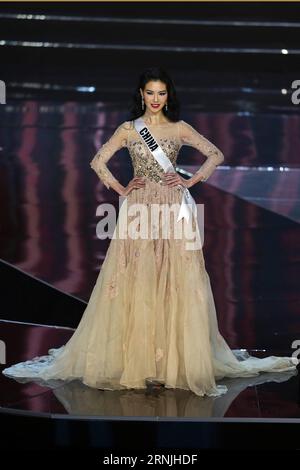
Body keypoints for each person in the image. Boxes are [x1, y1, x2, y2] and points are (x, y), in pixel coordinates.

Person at [2, 66, 298, 398]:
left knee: (174, 277)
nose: (155, 99)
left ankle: (171, 360)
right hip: (139, 208)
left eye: (161, 93)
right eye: (150, 93)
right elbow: (98, 160)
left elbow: (216, 154)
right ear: (141, 95)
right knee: (137, 277)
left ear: (167, 96)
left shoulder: (179, 128)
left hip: (173, 208)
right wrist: (121, 187)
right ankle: (138, 359)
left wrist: (190, 180)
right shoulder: (130, 130)